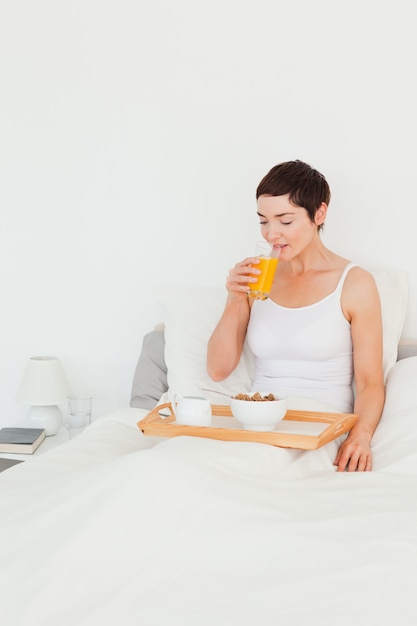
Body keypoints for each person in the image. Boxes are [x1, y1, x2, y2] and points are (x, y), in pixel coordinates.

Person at [207, 159, 385, 472]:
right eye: (263, 221)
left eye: (285, 221)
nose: (272, 234)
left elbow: (370, 382)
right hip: (257, 423)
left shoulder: (355, 283)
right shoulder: (258, 277)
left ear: (319, 213)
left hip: (317, 426)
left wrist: (361, 435)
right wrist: (235, 299)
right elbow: (218, 370)